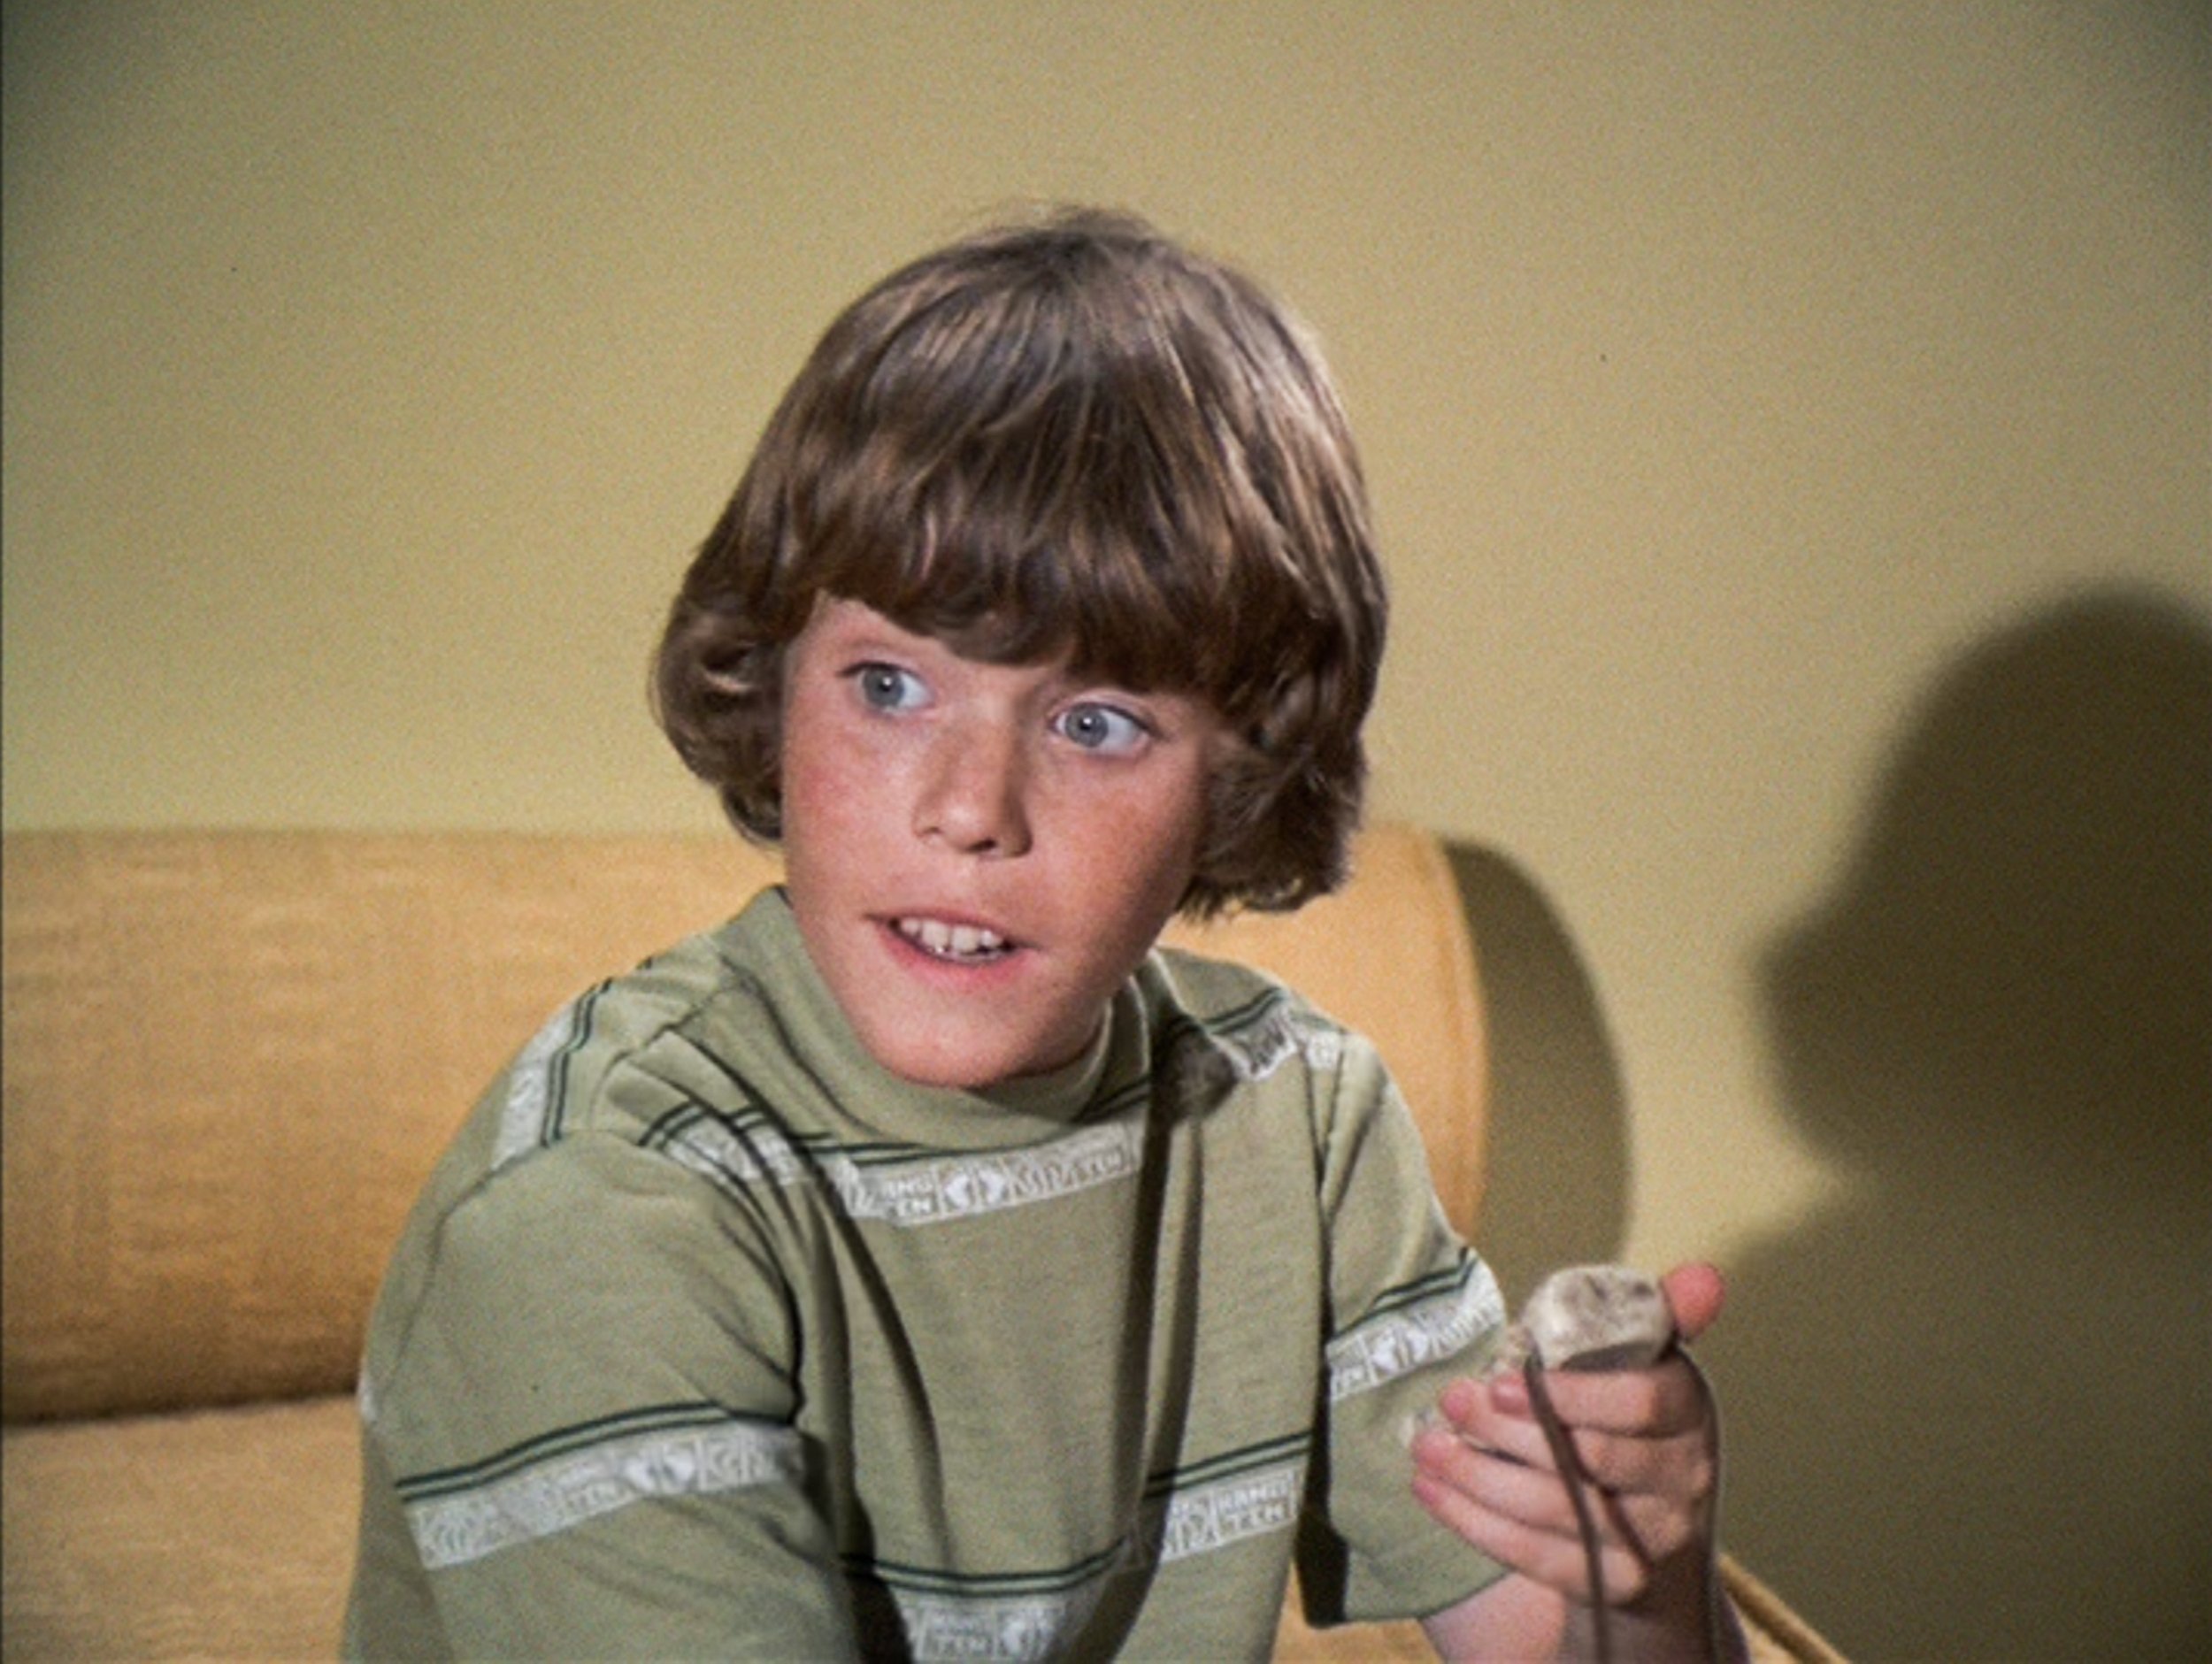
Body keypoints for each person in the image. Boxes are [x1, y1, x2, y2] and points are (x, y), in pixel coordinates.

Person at [342, 206, 1734, 1660]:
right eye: (890, 687)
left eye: (1096, 722)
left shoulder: (1297, 1121)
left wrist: (1638, 1568)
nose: (971, 810)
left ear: (1239, 771)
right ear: (775, 674)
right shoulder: (605, 1206)